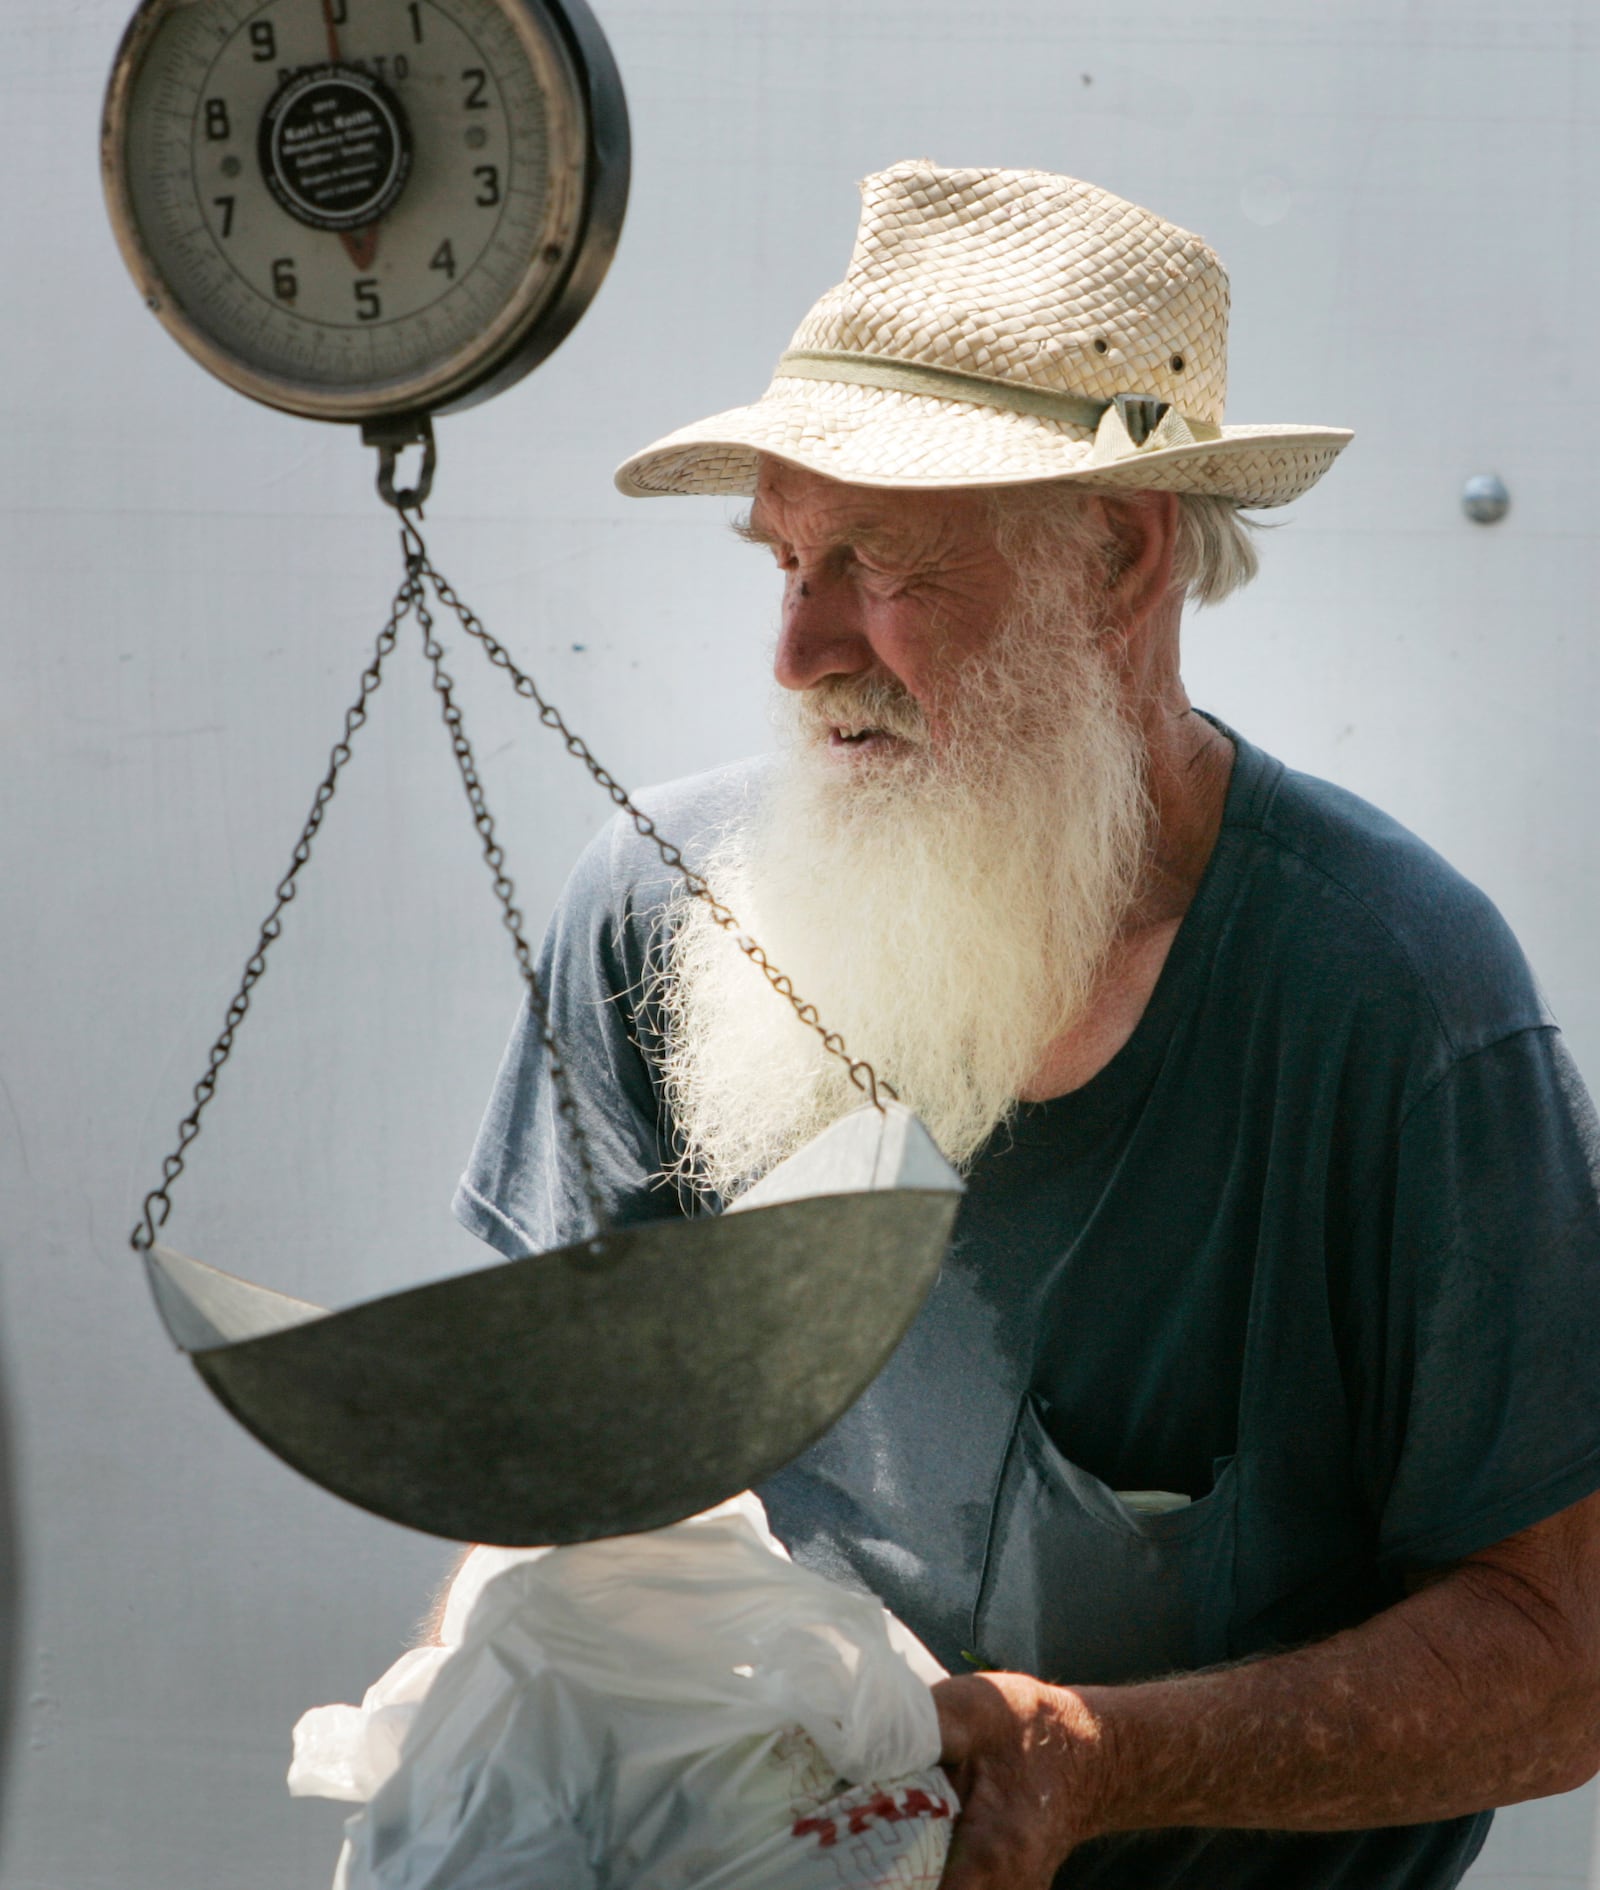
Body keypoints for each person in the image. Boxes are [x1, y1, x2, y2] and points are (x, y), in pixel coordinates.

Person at [452, 161, 1600, 1887]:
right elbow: (555, 1489)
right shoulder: (658, 910)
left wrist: (1097, 1758)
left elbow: (1560, 1659)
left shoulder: (1396, 1001)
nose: (796, 648)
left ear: (1120, 554)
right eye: (781, 555)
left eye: (873, 562)